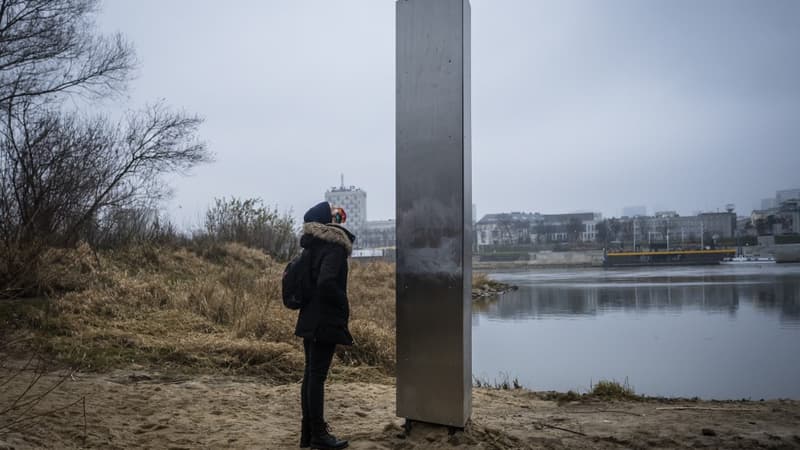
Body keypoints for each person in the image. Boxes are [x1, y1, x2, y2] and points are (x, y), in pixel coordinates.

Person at [296, 201, 355, 449]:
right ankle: (319, 435)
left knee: (310, 375)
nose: (338, 218)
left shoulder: (311, 247)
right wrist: (343, 304)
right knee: (317, 376)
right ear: (325, 221)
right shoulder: (334, 247)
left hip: (309, 316)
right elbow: (327, 282)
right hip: (325, 319)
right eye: (333, 214)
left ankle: (308, 434)